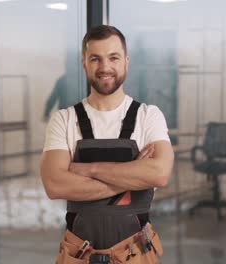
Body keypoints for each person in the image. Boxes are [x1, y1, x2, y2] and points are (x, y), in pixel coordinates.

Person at [40, 25, 174, 263]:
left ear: (126, 61)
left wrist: (89, 170)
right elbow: (54, 184)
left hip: (137, 253)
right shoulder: (64, 119)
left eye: (113, 57)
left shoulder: (148, 116)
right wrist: (133, 177)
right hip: (79, 254)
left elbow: (160, 174)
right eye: (95, 59)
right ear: (84, 63)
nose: (105, 67)